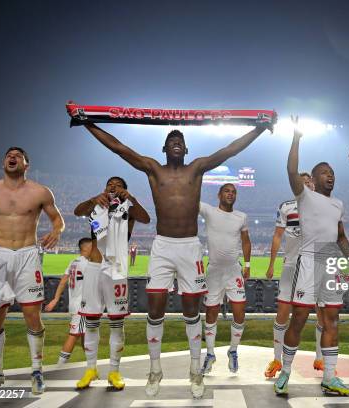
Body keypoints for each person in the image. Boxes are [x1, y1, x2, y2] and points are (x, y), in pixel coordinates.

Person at [81, 121, 271, 399]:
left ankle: (195, 372)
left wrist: (259, 129)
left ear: (186, 148)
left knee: (192, 311)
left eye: (180, 139)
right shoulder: (153, 168)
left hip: (190, 247)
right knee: (155, 309)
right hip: (163, 245)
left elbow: (229, 150)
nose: (176, 142)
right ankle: (155, 370)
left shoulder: (197, 167)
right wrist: (87, 123)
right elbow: (118, 148)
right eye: (172, 140)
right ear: (165, 148)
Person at [0, 147, 65, 393]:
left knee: (33, 315)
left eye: (17, 155)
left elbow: (57, 219)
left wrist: (57, 231)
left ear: (26, 164)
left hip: (27, 255)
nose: (12, 157)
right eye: (8, 155)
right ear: (3, 162)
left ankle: (36, 372)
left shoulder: (40, 192)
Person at [274, 117, 349, 396]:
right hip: (308, 260)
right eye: (324, 172)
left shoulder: (338, 204)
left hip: (330, 262)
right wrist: (296, 138)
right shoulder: (305, 196)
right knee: (299, 318)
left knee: (332, 320)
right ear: (315, 179)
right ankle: (284, 373)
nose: (330, 175)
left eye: (332, 172)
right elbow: (291, 168)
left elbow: (341, 236)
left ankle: (330, 376)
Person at [73, 177, 150, 390]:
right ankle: (91, 369)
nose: (113, 186)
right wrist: (93, 199)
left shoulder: (129, 208)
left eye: (118, 184)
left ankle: (114, 372)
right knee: (91, 321)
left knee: (116, 322)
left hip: (116, 270)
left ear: (124, 189)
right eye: (109, 183)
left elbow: (146, 218)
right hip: (94, 267)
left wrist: (131, 198)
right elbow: (77, 211)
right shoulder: (97, 205)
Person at [264, 173, 329, 378]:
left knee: (322, 314)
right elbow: (277, 236)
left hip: (316, 266)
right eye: (303, 181)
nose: (308, 183)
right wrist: (272, 264)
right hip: (291, 266)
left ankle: (320, 358)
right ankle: (276, 359)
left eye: (310, 180)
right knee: (283, 313)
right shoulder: (286, 207)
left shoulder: (323, 206)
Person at [199, 183, 251, 374]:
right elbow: (191, 199)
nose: (231, 194)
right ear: (219, 194)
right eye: (227, 191)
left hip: (233, 271)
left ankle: (233, 350)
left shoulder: (241, 217)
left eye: (233, 192)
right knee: (211, 312)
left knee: (239, 312)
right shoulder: (209, 211)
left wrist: (247, 265)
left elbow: (246, 241)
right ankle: (210, 353)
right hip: (214, 271)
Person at [44, 237, 93, 366]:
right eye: (93, 247)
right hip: (83, 306)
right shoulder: (87, 264)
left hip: (75, 303)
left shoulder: (73, 262)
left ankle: (91, 365)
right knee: (74, 334)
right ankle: (59, 365)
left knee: (85, 335)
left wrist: (55, 299)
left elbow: (63, 281)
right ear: (86, 248)